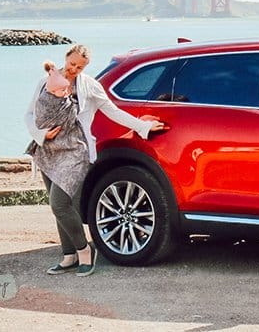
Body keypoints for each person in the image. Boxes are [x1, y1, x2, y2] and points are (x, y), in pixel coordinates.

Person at [25, 44, 166, 277]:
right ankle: (68, 256)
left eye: (79, 67)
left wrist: (143, 127)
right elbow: (30, 114)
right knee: (62, 208)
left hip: (76, 153)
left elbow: (113, 111)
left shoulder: (90, 86)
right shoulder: (46, 81)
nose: (73, 69)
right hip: (48, 151)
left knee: (59, 203)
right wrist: (40, 135)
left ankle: (85, 252)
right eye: (71, 64)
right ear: (66, 58)